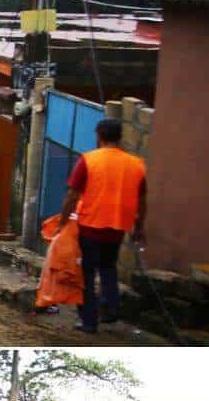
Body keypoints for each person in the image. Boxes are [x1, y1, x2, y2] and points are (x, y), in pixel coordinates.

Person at [59, 118, 147, 333]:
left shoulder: (89, 160)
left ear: (99, 135)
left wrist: (63, 221)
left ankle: (88, 321)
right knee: (108, 267)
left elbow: (72, 194)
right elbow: (142, 200)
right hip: (117, 228)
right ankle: (110, 308)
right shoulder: (137, 164)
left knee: (87, 274)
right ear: (120, 137)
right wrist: (139, 227)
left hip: (91, 224)